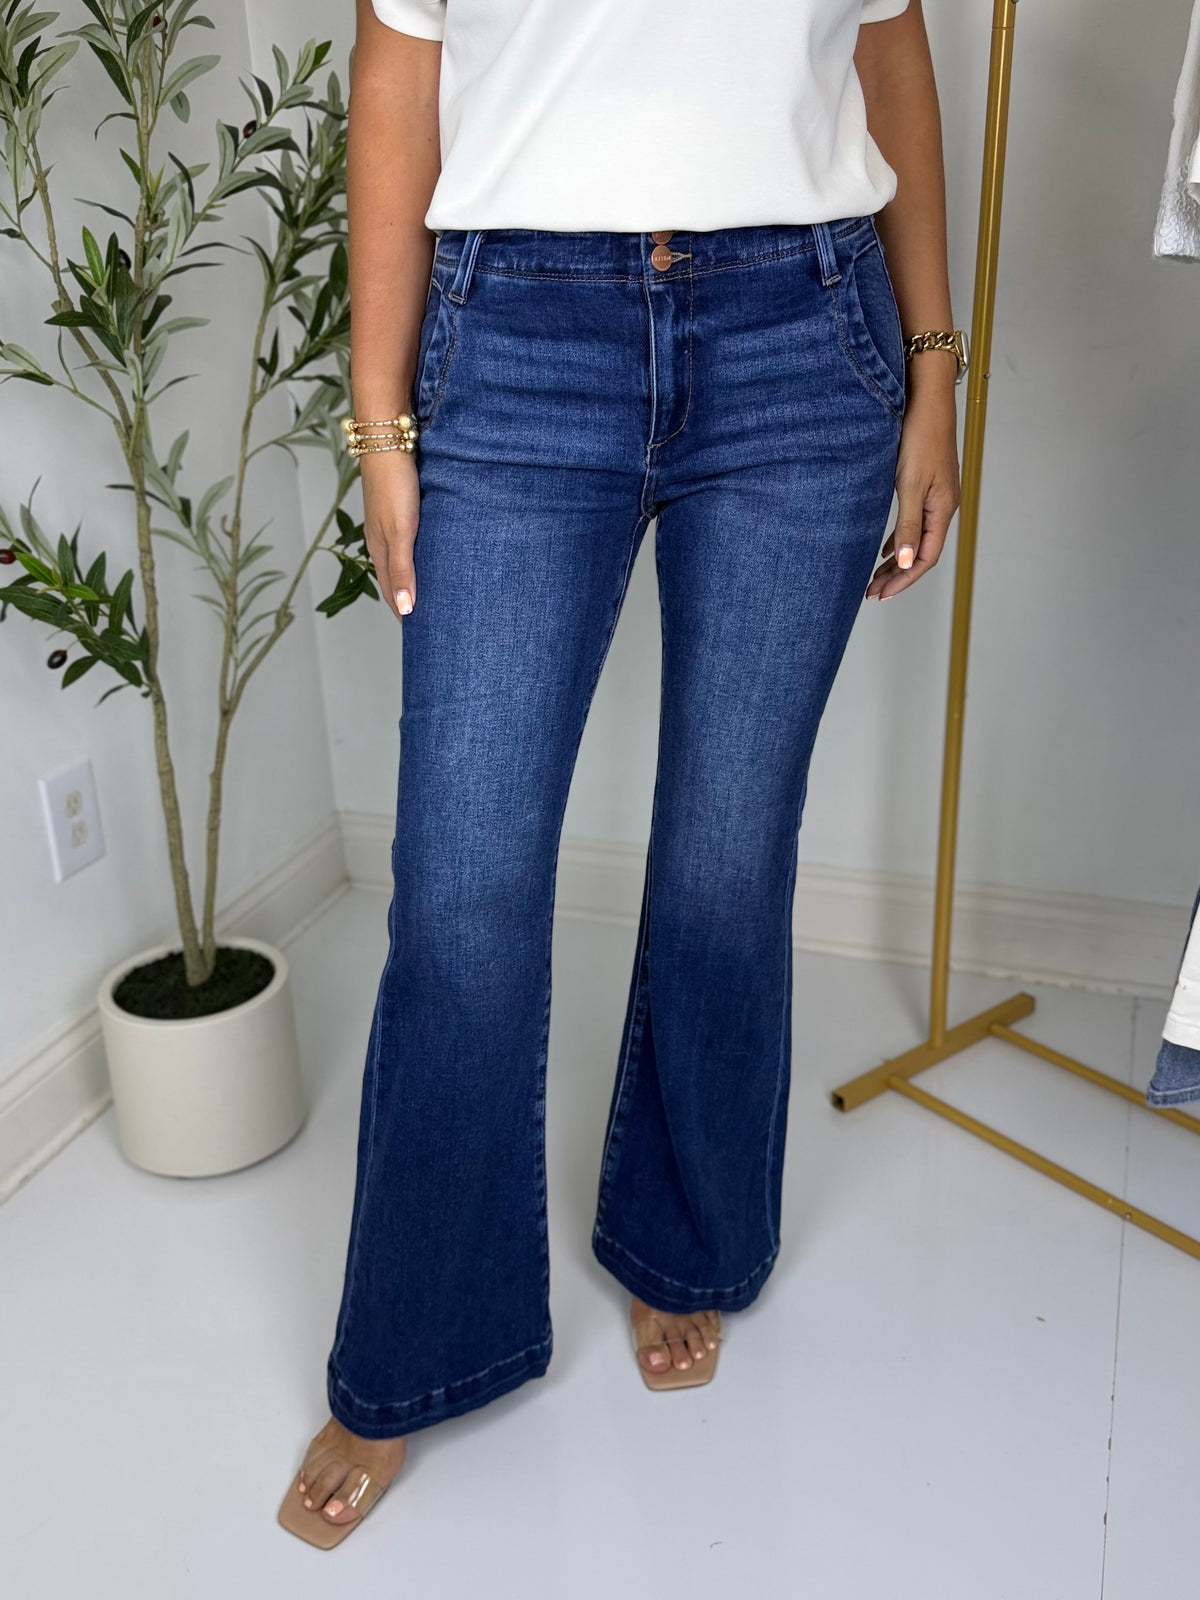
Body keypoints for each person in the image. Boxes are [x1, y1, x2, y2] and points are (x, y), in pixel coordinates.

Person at [279, 0, 964, 1549]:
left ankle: (685, 1234)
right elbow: (398, 74)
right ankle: (416, 1351)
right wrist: (382, 420)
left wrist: (935, 364)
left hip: (805, 334)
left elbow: (890, 46)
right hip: (514, 344)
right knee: (463, 891)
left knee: (728, 857)